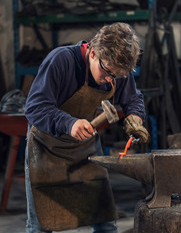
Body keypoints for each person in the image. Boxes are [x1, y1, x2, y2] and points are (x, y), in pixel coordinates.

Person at [24, 22, 150, 233]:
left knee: (106, 223)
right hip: (46, 150)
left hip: (86, 150)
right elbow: (35, 107)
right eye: (108, 72)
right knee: (40, 225)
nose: (110, 80)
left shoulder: (115, 70)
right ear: (93, 53)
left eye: (117, 76)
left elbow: (132, 98)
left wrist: (135, 118)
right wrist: (69, 123)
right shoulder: (61, 61)